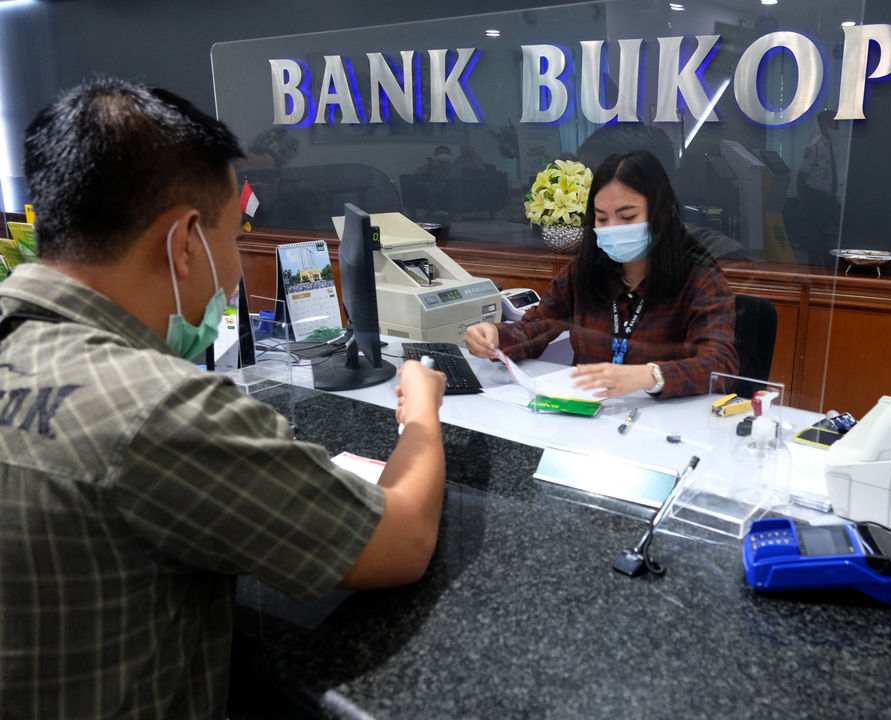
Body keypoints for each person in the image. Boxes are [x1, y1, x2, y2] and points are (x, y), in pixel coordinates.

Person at [0, 78, 446, 719]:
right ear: (184, 242)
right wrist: (423, 414)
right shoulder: (160, 409)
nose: (237, 265)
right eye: (235, 238)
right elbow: (401, 540)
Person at [464, 150, 738, 398]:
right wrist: (495, 336)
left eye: (628, 217)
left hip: (661, 427)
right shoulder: (583, 271)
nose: (613, 228)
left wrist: (649, 375)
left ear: (660, 215)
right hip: (587, 417)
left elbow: (720, 364)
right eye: (602, 218)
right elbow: (536, 327)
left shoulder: (700, 281)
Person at [796, 110, 842, 266]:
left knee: (829, 240)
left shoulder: (834, 145)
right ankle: (814, 277)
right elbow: (801, 175)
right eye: (833, 121)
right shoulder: (815, 146)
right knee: (815, 240)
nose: (836, 125)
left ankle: (827, 276)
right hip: (816, 198)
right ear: (824, 124)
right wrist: (804, 201)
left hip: (829, 198)